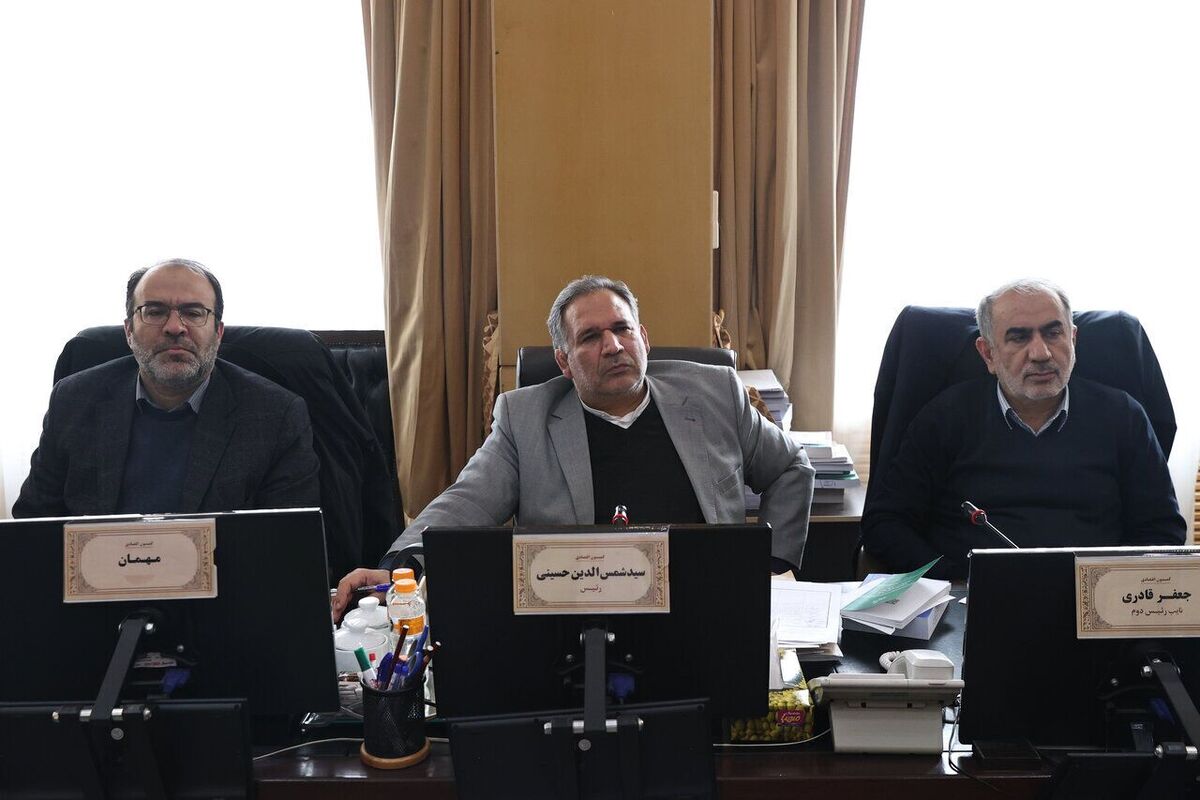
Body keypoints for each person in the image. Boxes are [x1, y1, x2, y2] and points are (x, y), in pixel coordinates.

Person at [333, 275, 814, 619]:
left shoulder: (714, 395)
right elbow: (465, 502)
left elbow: (792, 467)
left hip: (706, 606)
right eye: (590, 337)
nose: (613, 346)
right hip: (582, 619)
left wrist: (772, 568)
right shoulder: (525, 419)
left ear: (644, 338)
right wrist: (397, 566)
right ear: (563, 362)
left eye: (623, 329)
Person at [860, 278, 1186, 580]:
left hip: (1094, 600)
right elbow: (886, 523)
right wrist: (954, 581)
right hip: (972, 596)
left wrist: (1114, 589)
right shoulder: (945, 417)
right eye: (1019, 337)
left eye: (1053, 333)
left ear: (1073, 339)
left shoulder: (1123, 416)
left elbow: (1161, 530)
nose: (1041, 353)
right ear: (988, 354)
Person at [13, 258, 320, 518]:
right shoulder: (73, 400)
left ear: (218, 333)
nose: (175, 327)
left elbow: (283, 544)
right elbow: (33, 527)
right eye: (155, 311)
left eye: (194, 312)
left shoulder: (276, 415)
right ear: (129, 331)